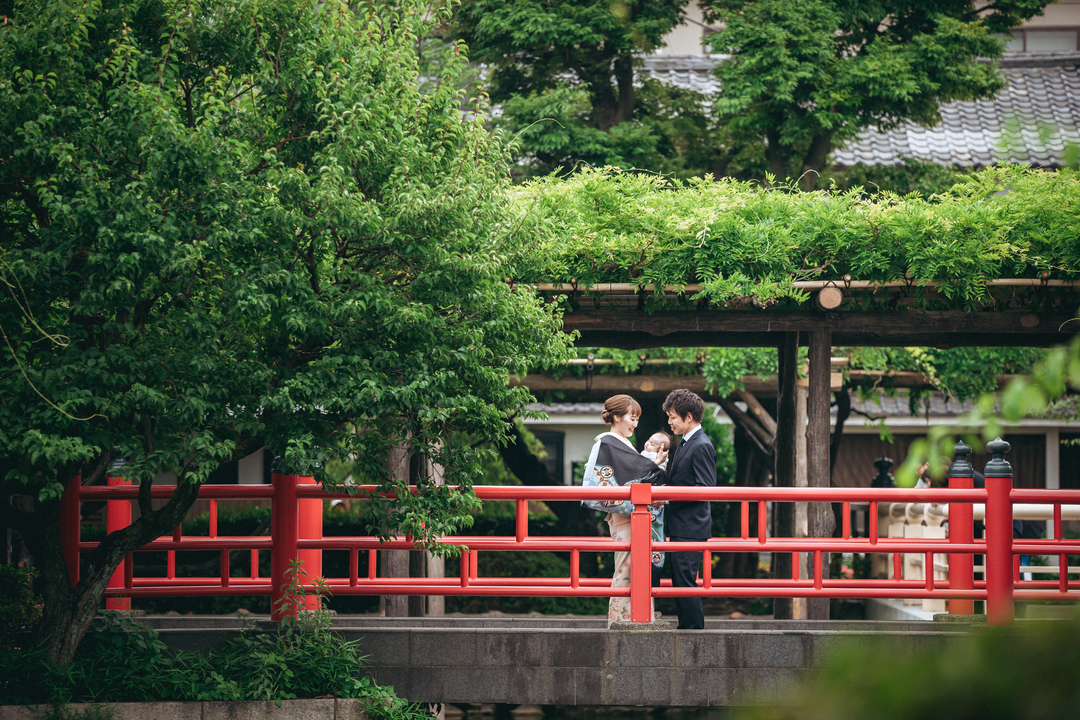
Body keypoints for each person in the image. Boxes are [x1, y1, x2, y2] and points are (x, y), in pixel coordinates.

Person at [580, 395, 668, 627]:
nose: (635, 423)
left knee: (637, 570)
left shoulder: (620, 443)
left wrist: (654, 467)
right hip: (626, 517)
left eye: (637, 418)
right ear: (616, 416)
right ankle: (620, 621)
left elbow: (633, 477)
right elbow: (601, 485)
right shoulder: (607, 443)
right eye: (632, 417)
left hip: (633, 516)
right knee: (627, 570)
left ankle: (637, 618)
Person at [662, 388, 716, 630]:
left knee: (684, 579)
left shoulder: (701, 445)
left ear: (689, 416)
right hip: (683, 523)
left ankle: (693, 631)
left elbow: (705, 488)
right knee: (680, 579)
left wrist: (667, 500)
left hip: (691, 525)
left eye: (673, 417)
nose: (669, 422)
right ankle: (687, 628)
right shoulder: (687, 442)